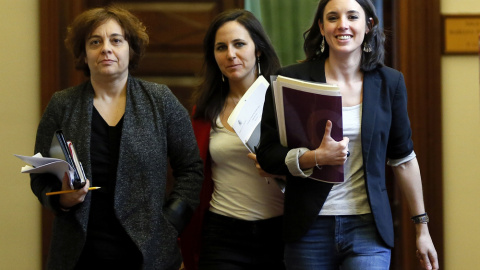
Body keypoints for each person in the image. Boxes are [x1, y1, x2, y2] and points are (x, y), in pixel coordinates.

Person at [256, 0, 439, 269]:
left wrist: (422, 228)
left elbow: (403, 159)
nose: (343, 24)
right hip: (309, 229)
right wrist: (314, 157)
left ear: (369, 25)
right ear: (321, 26)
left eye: (352, 16)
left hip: (368, 229)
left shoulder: (390, 82)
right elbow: (268, 155)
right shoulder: (291, 80)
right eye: (332, 17)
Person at [30, 6, 203, 270]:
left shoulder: (160, 100)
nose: (106, 48)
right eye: (95, 42)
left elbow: (191, 169)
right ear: (84, 53)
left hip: (149, 253)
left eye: (116, 40)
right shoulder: (62, 104)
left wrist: (170, 222)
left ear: (130, 49)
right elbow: (40, 174)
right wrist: (60, 199)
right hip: (79, 253)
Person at [179, 9, 285, 270]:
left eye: (239, 44)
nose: (231, 54)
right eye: (221, 47)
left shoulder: (284, 100)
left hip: (280, 231)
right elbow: (192, 175)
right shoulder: (205, 111)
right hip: (223, 232)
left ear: (258, 49)